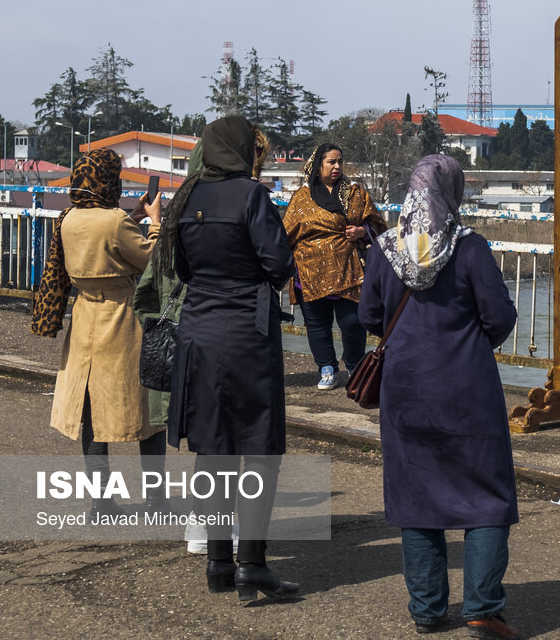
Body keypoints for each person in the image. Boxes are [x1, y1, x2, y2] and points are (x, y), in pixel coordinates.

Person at [359, 155, 521, 639]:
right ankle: (482, 608)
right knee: (487, 497)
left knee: (416, 499)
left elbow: (370, 316)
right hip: (467, 387)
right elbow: (501, 317)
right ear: (453, 191)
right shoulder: (469, 247)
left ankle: (428, 610)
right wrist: (467, 342)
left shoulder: (384, 247)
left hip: (405, 391)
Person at [157, 115, 298, 600]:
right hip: (246, 335)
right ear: (242, 149)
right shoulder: (252, 195)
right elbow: (279, 266)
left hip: (199, 332)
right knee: (259, 448)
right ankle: (252, 564)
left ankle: (218, 562)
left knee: (212, 448)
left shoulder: (187, 196)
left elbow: (180, 267)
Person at [134, 128, 270, 555]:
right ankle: (218, 535)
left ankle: (203, 526)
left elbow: (149, 287)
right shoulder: (238, 201)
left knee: (208, 435)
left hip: (190, 333)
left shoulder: (184, 205)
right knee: (227, 436)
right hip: (225, 332)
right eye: (252, 157)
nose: (253, 167)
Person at [31, 148, 167, 517]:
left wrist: (133, 215)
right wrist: (153, 221)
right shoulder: (114, 221)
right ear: (110, 181)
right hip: (121, 318)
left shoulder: (69, 217)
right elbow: (152, 259)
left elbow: (107, 234)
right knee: (147, 411)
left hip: (85, 315)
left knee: (90, 412)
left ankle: (101, 501)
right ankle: (156, 499)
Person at [283, 143, 387, 391]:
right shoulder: (301, 197)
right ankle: (327, 368)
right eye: (331, 162)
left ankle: (354, 364)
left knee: (352, 322)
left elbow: (377, 226)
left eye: (340, 161)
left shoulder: (356, 193)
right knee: (317, 323)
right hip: (310, 273)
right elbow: (285, 233)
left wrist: (363, 231)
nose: (337, 166)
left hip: (348, 271)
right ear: (318, 165)